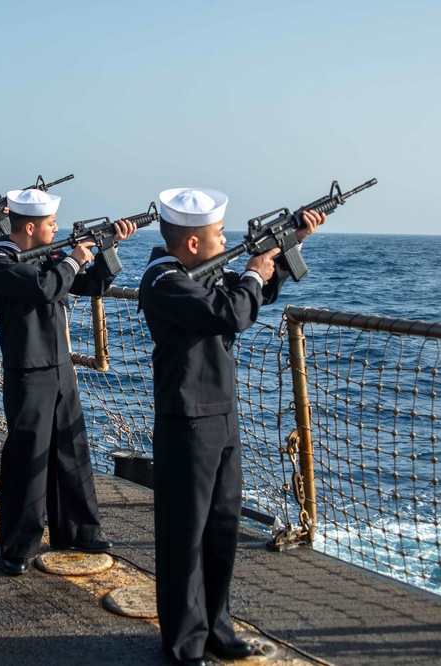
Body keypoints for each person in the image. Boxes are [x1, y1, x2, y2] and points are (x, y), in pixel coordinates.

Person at [138, 188, 324, 665]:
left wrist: (283, 249)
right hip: (186, 421)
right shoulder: (164, 280)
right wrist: (251, 273)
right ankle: (183, 641)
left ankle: (216, 626)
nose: (226, 241)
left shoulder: (198, 273)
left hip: (220, 414)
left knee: (221, 527)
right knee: (185, 534)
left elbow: (253, 293)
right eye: (219, 235)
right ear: (195, 245)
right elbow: (230, 313)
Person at [0, 188, 136, 575]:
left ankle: (80, 530)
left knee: (72, 449)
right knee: (26, 456)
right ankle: (19, 544)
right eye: (51, 223)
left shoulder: (49, 257)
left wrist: (106, 249)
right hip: (28, 367)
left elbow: (92, 284)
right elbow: (43, 287)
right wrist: (70, 260)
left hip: (60, 364)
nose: (56, 228)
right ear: (30, 227)